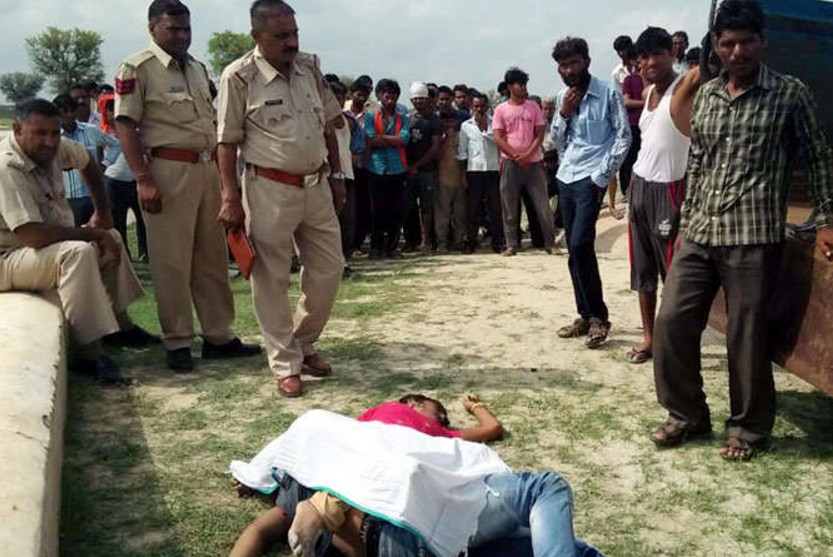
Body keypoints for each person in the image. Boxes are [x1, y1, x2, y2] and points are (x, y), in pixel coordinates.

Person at [650, 0, 833, 461]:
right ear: (716, 46)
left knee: (745, 336)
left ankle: (748, 429)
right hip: (699, 230)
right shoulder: (707, 95)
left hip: (753, 235)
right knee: (671, 321)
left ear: (762, 42)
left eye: (746, 42)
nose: (737, 52)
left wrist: (828, 220)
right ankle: (687, 414)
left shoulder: (789, 94)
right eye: (728, 43)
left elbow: (818, 157)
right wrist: (686, 217)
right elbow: (699, 161)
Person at [114, 0, 260, 372]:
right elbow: (125, 125)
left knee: (212, 257)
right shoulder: (138, 68)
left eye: (186, 29)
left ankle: (219, 336)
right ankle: (177, 341)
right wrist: (143, 178)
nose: (182, 36)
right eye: (173, 29)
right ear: (153, 29)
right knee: (171, 260)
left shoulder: (197, 68)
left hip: (208, 167)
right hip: (167, 170)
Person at [217, 0, 345, 398]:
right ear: (257, 37)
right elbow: (226, 142)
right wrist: (230, 196)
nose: (291, 43)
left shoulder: (310, 67)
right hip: (268, 188)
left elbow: (329, 124)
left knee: (329, 269)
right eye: (281, 36)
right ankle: (285, 362)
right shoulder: (239, 77)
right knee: (270, 279)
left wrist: (338, 175)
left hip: (317, 185)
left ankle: (304, 343)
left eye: (294, 33)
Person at [0, 99, 158, 385]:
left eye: (55, 133)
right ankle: (87, 352)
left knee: (111, 236)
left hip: (34, 250)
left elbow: (87, 161)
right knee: (77, 252)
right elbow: (33, 235)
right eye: (40, 133)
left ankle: (121, 326)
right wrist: (92, 233)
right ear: (18, 129)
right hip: (8, 256)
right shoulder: (7, 167)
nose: (49, 141)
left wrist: (103, 212)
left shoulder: (53, 149)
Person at [229, 393, 502, 557]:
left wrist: (257, 472)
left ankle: (322, 507)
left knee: (262, 529)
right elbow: (491, 428)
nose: (442, 418)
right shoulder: (431, 430)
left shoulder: (381, 416)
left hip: (332, 474)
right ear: (415, 403)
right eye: (439, 412)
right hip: (372, 480)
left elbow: (325, 436)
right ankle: (324, 509)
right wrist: (476, 407)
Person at [625, 27, 701, 366]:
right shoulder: (649, 92)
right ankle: (650, 338)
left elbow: (708, 66)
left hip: (670, 189)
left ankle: (678, 344)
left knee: (675, 275)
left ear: (672, 53)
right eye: (644, 57)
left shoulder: (682, 87)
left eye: (658, 53)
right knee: (642, 273)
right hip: (640, 187)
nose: (650, 62)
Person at [551, 37, 631, 349]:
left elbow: (623, 137)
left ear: (586, 61)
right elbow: (557, 142)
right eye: (563, 65)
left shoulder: (608, 93)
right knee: (574, 247)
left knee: (582, 242)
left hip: (591, 177)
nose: (569, 70)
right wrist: (564, 113)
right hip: (566, 175)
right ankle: (585, 314)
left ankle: (599, 316)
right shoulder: (562, 97)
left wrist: (601, 177)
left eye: (574, 63)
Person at [492, 67, 555, 256]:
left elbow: (540, 133)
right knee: (509, 206)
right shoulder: (500, 109)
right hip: (510, 164)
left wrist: (527, 154)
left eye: (525, 84)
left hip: (534, 163)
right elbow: (498, 137)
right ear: (511, 86)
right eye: (520, 84)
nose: (524, 88)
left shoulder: (533, 107)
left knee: (542, 204)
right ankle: (512, 244)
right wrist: (515, 155)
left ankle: (549, 242)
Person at [97, 93, 148, 262]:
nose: (113, 112)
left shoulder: (135, 130)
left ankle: (146, 253)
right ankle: (124, 256)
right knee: (118, 222)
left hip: (135, 181)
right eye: (110, 109)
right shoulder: (100, 132)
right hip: (113, 182)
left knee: (143, 220)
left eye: (116, 107)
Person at [364, 79, 409, 259]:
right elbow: (370, 139)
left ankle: (392, 246)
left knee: (396, 210)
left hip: (397, 168)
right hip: (376, 168)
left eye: (394, 96)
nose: (390, 100)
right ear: (379, 96)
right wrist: (393, 139)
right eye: (387, 96)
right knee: (377, 210)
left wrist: (381, 139)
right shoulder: (370, 116)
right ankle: (376, 247)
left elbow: (404, 139)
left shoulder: (403, 118)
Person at [458, 92, 505, 253]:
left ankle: (498, 242)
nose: (479, 109)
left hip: (493, 170)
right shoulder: (466, 126)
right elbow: (462, 152)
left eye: (482, 106)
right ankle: (470, 241)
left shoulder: (495, 124)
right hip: (474, 170)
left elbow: (500, 144)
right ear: (471, 107)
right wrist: (463, 174)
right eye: (476, 106)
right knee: (473, 208)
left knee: (495, 208)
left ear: (487, 106)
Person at [53, 93, 106, 227]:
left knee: (101, 235)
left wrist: (105, 165)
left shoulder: (91, 130)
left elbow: (116, 144)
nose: (69, 115)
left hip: (93, 196)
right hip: (68, 198)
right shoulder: (53, 137)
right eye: (64, 111)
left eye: (72, 110)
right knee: (76, 240)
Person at [403, 82, 441, 253]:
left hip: (427, 169)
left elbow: (435, 148)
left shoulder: (434, 120)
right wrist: (408, 167)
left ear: (427, 99)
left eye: (422, 99)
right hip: (409, 170)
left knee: (426, 207)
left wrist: (416, 166)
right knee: (409, 206)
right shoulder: (407, 119)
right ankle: (411, 240)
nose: (418, 102)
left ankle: (427, 241)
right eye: (415, 99)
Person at [345, 78, 372, 254]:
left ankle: (356, 244)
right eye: (359, 94)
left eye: (365, 94)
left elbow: (370, 141)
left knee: (361, 207)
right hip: (343, 167)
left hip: (362, 168)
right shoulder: (342, 113)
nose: (361, 98)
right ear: (351, 94)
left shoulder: (369, 116)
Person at [434, 108, 466, 253]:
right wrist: (444, 139)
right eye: (445, 121)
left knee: (460, 214)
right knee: (442, 215)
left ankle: (459, 242)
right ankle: (442, 244)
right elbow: (436, 156)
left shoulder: (462, 136)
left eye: (451, 121)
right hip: (443, 180)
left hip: (460, 180)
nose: (448, 124)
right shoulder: (438, 138)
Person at [619, 46, 644, 199]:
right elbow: (627, 102)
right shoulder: (629, 80)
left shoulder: (656, 79)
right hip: (634, 124)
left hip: (651, 124)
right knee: (632, 160)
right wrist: (647, 102)